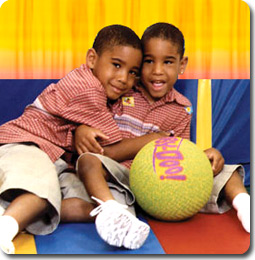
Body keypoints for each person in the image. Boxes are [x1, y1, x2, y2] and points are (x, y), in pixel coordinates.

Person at [61, 23, 250, 250]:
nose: (157, 70)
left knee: (226, 170)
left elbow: (181, 157)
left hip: (162, 182)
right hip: (118, 175)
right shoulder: (121, 91)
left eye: (168, 62)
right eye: (149, 61)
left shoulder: (182, 108)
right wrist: (83, 129)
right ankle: (90, 211)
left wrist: (203, 157)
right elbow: (98, 146)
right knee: (89, 165)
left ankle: (244, 205)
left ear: (182, 65)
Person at [0, 24, 144, 254]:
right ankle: (5, 228)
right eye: (116, 65)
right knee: (40, 192)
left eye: (133, 72)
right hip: (26, 144)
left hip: (56, 160)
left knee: (100, 199)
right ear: (92, 58)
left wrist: (80, 129)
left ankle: (107, 211)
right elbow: (110, 149)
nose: (123, 78)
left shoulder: (105, 93)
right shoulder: (87, 88)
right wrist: (153, 139)